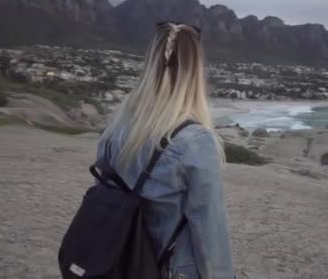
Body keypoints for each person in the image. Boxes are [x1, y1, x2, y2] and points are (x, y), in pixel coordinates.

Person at [96, 22, 235, 278]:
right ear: (194, 73)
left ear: (150, 67)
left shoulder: (116, 129)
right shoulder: (195, 141)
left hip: (115, 260)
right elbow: (209, 231)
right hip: (168, 268)